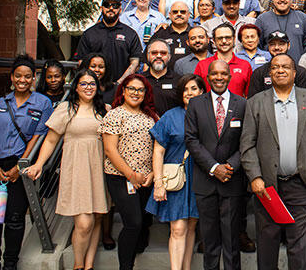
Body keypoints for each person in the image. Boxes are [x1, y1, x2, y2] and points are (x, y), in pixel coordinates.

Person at [240, 54, 306, 270]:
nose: (280, 70)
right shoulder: (255, 103)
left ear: (294, 73)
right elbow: (247, 145)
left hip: (302, 184)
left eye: (285, 67)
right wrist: (255, 177)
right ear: (270, 73)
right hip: (267, 187)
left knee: (299, 247)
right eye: (275, 67)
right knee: (267, 243)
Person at [24, 70, 109, 270]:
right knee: (84, 223)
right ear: (76, 87)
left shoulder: (105, 109)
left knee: (97, 217)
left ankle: (88, 265)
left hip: (99, 168)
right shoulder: (66, 109)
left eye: (92, 84)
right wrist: (38, 164)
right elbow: (51, 140)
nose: (88, 87)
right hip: (76, 168)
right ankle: (78, 265)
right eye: (84, 84)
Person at [0, 56, 54, 270]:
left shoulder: (42, 103)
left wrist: (18, 167)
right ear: (12, 77)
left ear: (33, 78)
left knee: (14, 216)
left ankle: (10, 262)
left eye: (27, 76)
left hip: (19, 165)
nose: (22, 80)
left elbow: (37, 138)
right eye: (18, 76)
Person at [185, 62, 248, 270]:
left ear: (230, 76)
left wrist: (230, 166)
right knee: (209, 242)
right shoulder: (195, 104)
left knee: (232, 242)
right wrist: (213, 167)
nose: (219, 77)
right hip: (205, 181)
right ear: (208, 77)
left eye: (223, 74)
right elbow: (191, 139)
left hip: (232, 180)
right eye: (214, 74)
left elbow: (247, 141)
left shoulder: (242, 104)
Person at [100, 74, 159, 270]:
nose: (136, 93)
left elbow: (157, 148)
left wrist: (152, 174)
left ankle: (137, 248)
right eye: (131, 88)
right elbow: (110, 150)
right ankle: (126, 266)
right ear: (123, 91)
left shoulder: (151, 117)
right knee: (133, 222)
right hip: (120, 177)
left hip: (145, 179)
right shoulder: (114, 115)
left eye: (140, 89)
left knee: (142, 222)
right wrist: (131, 175)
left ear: (145, 93)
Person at [147, 75, 199, 270]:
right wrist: (158, 183)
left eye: (194, 89)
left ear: (201, 91)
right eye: (185, 90)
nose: (189, 93)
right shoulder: (171, 115)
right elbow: (158, 151)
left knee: (192, 226)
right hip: (176, 177)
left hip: (199, 177)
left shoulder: (207, 114)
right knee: (178, 228)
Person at [74, 0, 142, 85]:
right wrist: (92, 83)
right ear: (101, 8)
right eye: (107, 5)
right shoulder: (89, 33)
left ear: (120, 10)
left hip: (121, 88)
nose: (111, 8)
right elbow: (82, 62)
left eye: (115, 5)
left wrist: (119, 83)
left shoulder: (130, 34)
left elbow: (135, 63)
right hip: (95, 88)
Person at [257, 0, 306, 65]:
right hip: (270, 69)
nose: (282, 0)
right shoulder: (262, 19)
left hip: (296, 68)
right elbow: (258, 47)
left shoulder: (302, 18)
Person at [248, 31, 306, 98]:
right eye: (272, 44)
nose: (276, 47)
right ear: (268, 46)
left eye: (281, 44)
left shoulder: (300, 72)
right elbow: (253, 101)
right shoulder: (259, 73)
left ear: (289, 45)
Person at [194, 23, 252, 98]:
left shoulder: (245, 65)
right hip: (207, 109)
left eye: (227, 37)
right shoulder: (202, 65)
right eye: (220, 38)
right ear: (214, 41)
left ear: (234, 39)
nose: (224, 41)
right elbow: (196, 94)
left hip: (238, 109)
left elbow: (249, 96)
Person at [151, 1, 193, 70]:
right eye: (175, 12)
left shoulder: (196, 35)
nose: (179, 14)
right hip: (165, 78)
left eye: (182, 12)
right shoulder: (160, 34)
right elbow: (147, 60)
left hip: (190, 77)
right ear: (170, 15)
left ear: (189, 15)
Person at [142, 39, 178, 116]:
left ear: (169, 57)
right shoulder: (139, 80)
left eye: (163, 53)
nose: (158, 56)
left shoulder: (179, 81)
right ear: (148, 56)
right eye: (154, 53)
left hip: (169, 126)